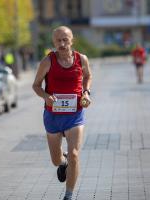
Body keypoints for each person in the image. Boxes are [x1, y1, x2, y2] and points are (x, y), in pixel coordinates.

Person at [32, 26, 92, 200]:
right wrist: (46, 97)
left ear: (72, 40)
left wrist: (86, 93)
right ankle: (62, 163)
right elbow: (36, 86)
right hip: (53, 116)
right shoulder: (47, 62)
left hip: (75, 114)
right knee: (56, 160)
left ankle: (69, 195)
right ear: (54, 42)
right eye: (58, 40)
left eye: (65, 39)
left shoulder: (81, 59)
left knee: (74, 154)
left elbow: (88, 76)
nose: (62, 43)